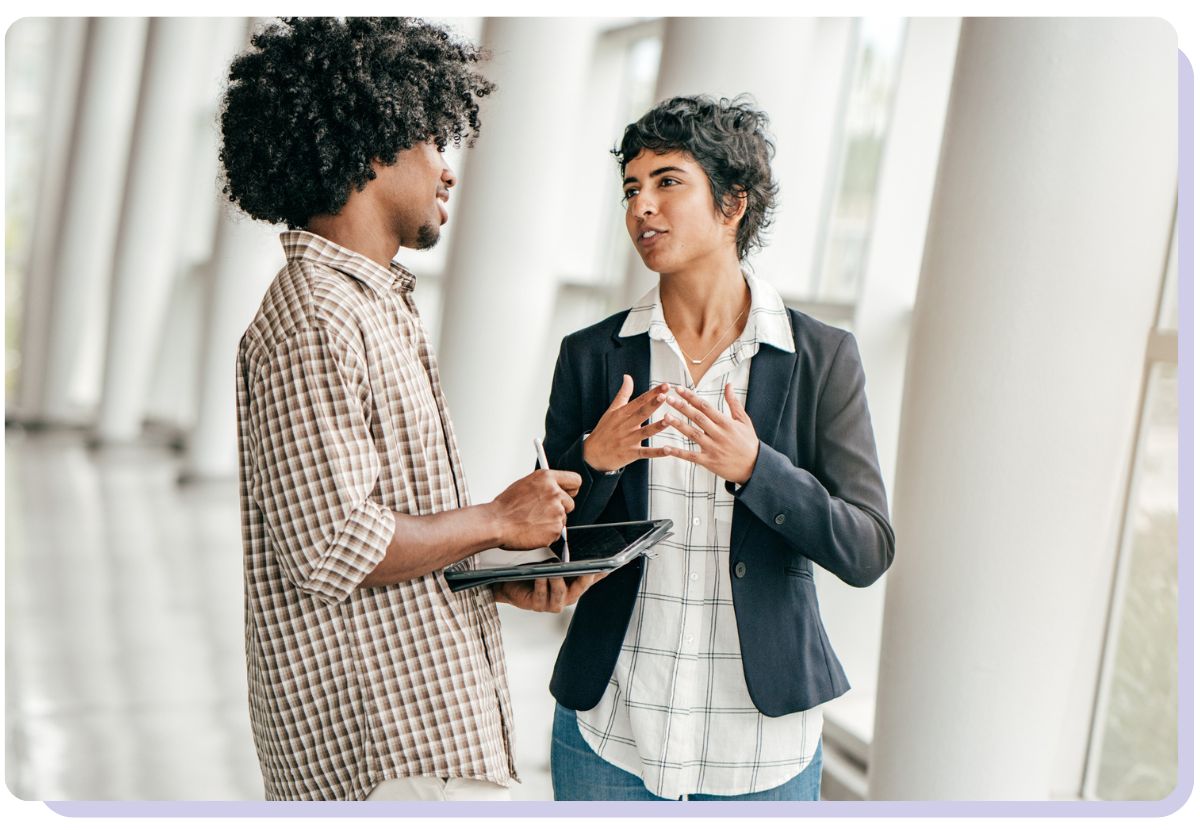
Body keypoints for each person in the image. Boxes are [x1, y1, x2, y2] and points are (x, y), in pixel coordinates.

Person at [222, 17, 599, 802]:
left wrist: (486, 572)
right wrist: (497, 519)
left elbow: (375, 523)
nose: (446, 170)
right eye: (431, 140)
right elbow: (335, 545)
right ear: (370, 147)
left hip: (414, 739)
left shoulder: (368, 305)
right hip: (387, 753)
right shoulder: (317, 316)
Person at [541, 95, 895, 801]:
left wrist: (759, 470)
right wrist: (595, 462)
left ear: (733, 204)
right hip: (609, 734)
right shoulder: (590, 356)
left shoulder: (822, 358)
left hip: (763, 753)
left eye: (667, 182)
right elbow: (550, 546)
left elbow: (867, 548)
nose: (642, 206)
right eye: (631, 189)